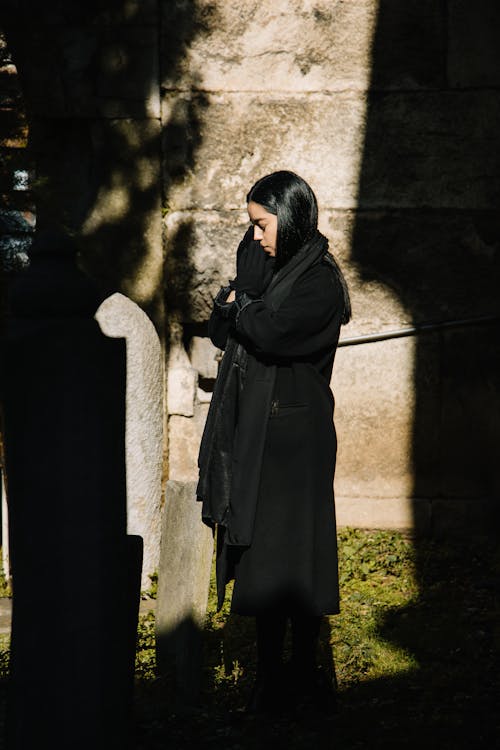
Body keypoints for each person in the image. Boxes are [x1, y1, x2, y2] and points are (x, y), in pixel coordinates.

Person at [196, 170, 351, 715]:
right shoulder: (270, 269)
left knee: (299, 559)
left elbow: (272, 333)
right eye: (252, 227)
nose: (256, 237)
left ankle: (305, 679)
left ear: (291, 216)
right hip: (258, 432)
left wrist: (245, 301)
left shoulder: (319, 282)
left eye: (262, 225)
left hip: (296, 442)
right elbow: (222, 329)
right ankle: (268, 679)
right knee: (260, 555)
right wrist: (239, 301)